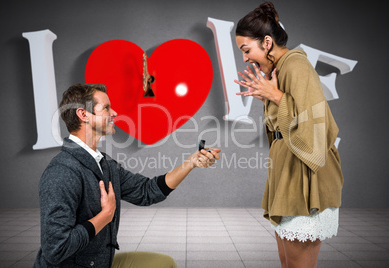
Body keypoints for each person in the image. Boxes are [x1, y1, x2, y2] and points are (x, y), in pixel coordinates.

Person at [34, 83, 221, 267]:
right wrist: (105, 216)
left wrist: (191, 163)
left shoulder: (105, 165)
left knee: (164, 264)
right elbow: (55, 249)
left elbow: (148, 191)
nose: (114, 113)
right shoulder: (62, 172)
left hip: (99, 263)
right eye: (106, 107)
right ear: (83, 115)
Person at [234, 2, 343, 268]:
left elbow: (318, 130)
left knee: (298, 264)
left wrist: (275, 96)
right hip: (288, 173)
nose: (245, 58)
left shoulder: (296, 66)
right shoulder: (277, 70)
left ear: (267, 42)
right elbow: (283, 126)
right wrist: (268, 96)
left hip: (305, 178)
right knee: (286, 260)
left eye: (247, 50)